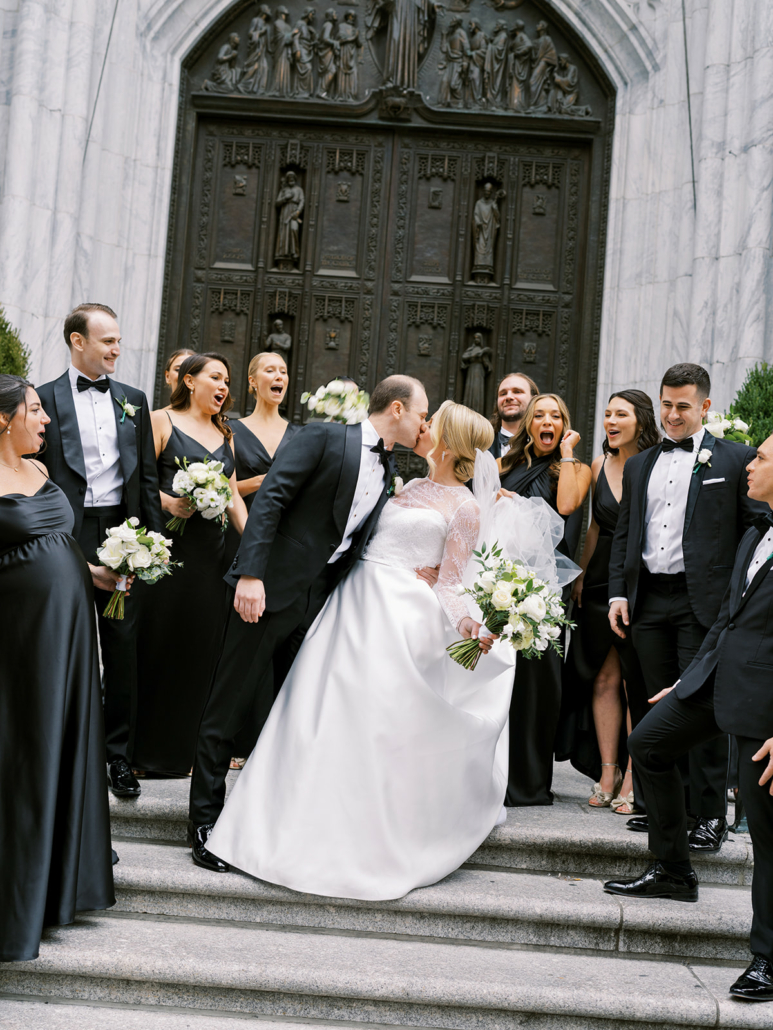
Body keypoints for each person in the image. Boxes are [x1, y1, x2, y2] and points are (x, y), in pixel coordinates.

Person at [207, 401, 523, 899]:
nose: (423, 426)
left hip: (396, 619)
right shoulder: (407, 484)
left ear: (448, 441)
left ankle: (361, 838)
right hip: (347, 605)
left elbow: (452, 582)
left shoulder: (466, 507)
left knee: (370, 728)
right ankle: (282, 823)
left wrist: (467, 623)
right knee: (314, 716)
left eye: (431, 423)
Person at [188, 375, 430, 871]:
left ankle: (266, 820)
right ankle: (203, 823)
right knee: (228, 706)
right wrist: (250, 574)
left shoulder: (387, 471)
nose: (425, 424)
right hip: (267, 592)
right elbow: (271, 499)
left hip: (318, 607)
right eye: (423, 414)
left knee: (293, 716)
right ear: (400, 409)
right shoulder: (324, 436)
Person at [604, 434, 773, 1003]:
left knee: (769, 837)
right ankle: (674, 869)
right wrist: (691, 677)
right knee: (648, 743)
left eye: (762, 458)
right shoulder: (757, 532)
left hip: (765, 705)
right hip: (717, 678)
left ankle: (768, 960)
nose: (749, 464)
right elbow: (727, 618)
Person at [608, 363, 763, 851]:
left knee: (703, 707)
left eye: (683, 406)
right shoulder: (639, 464)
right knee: (653, 704)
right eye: (666, 405)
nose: (672, 416)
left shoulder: (736, 460)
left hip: (707, 603)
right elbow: (624, 534)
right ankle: (661, 809)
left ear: (705, 407)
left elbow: (756, 530)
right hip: (648, 599)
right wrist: (617, 592)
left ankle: (709, 814)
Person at [0, 375, 114, 961]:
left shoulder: (42, 474)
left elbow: (60, 545)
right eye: (35, 410)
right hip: (18, 643)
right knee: (28, 750)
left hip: (68, 638)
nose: (46, 420)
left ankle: (59, 886)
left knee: (63, 744)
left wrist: (105, 572)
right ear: (3, 418)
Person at [36, 303, 164, 799]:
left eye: (117, 340)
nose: (116, 349)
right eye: (107, 340)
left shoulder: (133, 399)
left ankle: (117, 758)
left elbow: (147, 478)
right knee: (62, 644)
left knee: (122, 646)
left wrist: (153, 544)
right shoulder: (43, 397)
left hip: (123, 534)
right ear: (77, 341)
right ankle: (59, 752)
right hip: (64, 532)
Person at [132, 354, 248, 777]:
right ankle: (141, 753)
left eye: (227, 380)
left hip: (209, 557)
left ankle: (183, 754)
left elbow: (233, 495)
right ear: (189, 380)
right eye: (215, 377)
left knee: (199, 651)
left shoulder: (225, 432)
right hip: (165, 556)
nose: (223, 386)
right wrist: (169, 502)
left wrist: (253, 545)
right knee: (156, 645)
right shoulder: (160, 420)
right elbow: (139, 481)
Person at [559, 391, 658, 813]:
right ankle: (608, 769)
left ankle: (636, 774)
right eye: (606, 414)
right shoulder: (600, 464)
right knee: (602, 677)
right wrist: (581, 573)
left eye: (621, 414)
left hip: (642, 581)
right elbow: (597, 527)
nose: (610, 421)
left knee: (635, 680)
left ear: (641, 420)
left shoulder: (657, 464)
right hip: (600, 580)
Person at [499, 393, 590, 805]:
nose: (547, 421)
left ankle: (532, 781)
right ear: (528, 425)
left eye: (556, 415)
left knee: (540, 684)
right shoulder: (506, 466)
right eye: (540, 415)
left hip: (548, 592)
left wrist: (568, 451)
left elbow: (568, 504)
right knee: (502, 680)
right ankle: (496, 775)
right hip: (501, 587)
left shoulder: (577, 468)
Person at [225, 351, 302, 766]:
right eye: (270, 370)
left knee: (281, 643)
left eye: (284, 371)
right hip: (246, 544)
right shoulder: (232, 431)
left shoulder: (301, 434)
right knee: (245, 641)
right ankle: (240, 740)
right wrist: (259, 484)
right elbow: (228, 488)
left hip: (288, 551)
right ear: (253, 382)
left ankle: (276, 739)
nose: (279, 376)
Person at [489, 371, 538, 458]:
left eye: (517, 392)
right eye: (503, 394)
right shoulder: (481, 445)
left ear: (534, 400)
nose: (508, 397)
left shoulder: (545, 444)